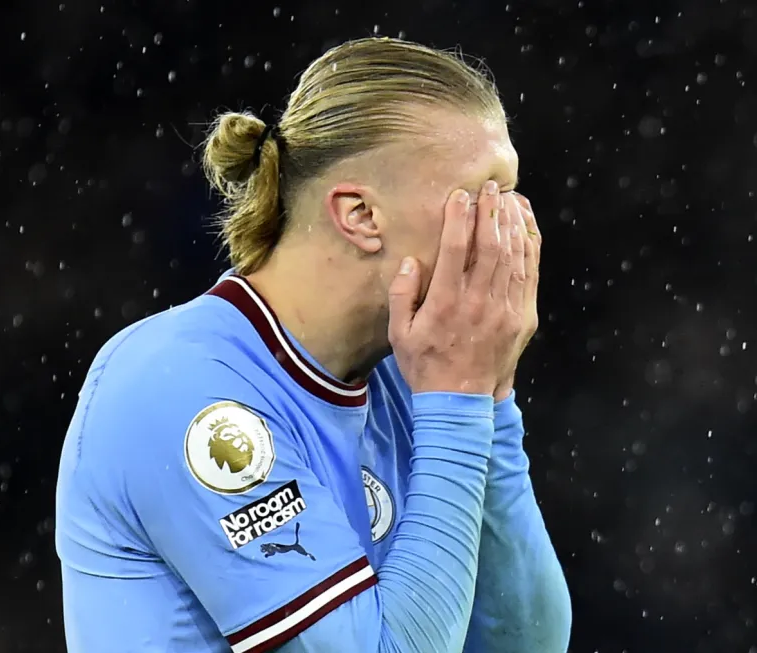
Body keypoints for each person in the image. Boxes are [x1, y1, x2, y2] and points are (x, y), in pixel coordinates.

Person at [55, 37, 571, 653]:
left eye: (510, 191)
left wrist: (489, 397)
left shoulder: (419, 376)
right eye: (481, 193)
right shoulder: (179, 385)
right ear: (360, 215)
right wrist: (459, 398)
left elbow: (524, 644)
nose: (508, 224)